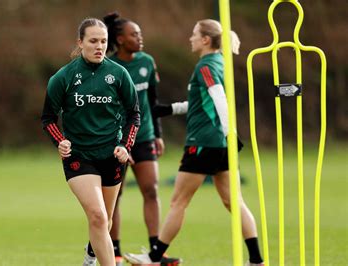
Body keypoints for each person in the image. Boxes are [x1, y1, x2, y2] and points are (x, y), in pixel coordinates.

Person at [124, 19, 264, 266]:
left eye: (194, 34)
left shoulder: (205, 66)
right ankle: (256, 260)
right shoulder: (220, 63)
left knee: (178, 202)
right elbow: (201, 104)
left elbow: (219, 99)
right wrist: (171, 109)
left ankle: (154, 258)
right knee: (234, 201)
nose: (190, 38)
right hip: (219, 144)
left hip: (203, 143)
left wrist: (229, 132)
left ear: (205, 40)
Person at [41, 18, 140, 266]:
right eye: (93, 41)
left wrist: (125, 147)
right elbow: (48, 118)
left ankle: (90, 257)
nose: (99, 46)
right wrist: (60, 142)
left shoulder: (119, 74)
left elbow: (133, 115)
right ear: (80, 42)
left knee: (104, 220)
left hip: (111, 156)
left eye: (103, 41)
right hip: (80, 157)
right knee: (97, 216)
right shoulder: (63, 78)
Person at [101, 12, 166, 266]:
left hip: (145, 136)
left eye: (140, 33)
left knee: (151, 190)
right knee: (115, 196)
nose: (140, 37)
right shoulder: (109, 68)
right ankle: (115, 251)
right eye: (134, 34)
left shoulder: (147, 62)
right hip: (117, 141)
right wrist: (118, 142)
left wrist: (158, 134)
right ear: (120, 39)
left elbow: (153, 100)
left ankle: (154, 251)